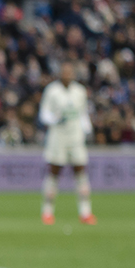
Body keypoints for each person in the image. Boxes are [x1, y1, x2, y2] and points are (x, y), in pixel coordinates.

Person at [39, 60, 95, 225]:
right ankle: (47, 212)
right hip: (58, 136)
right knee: (54, 172)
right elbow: (43, 114)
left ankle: (85, 212)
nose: (67, 75)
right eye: (64, 72)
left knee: (81, 172)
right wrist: (55, 119)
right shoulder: (52, 91)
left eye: (70, 72)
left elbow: (83, 114)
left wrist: (87, 129)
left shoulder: (80, 91)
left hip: (75, 136)